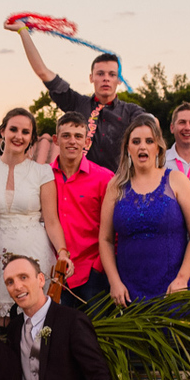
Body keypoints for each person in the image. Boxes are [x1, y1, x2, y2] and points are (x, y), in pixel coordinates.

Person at [4, 19, 143, 173]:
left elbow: (151, 127)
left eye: (112, 74)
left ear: (119, 80)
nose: (106, 78)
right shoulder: (77, 103)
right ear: (91, 77)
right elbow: (43, 72)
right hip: (81, 188)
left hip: (118, 188)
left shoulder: (131, 111)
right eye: (100, 73)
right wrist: (23, 32)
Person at [0, 107, 73, 309]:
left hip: (34, 252)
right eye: (13, 130)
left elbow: (51, 221)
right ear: (2, 132)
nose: (19, 136)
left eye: (25, 132)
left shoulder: (42, 173)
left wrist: (62, 253)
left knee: (33, 315)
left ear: (32, 139)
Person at [98, 115, 190, 305]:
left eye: (149, 141)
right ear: (127, 148)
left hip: (173, 290)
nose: (142, 147)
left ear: (158, 147)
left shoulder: (177, 181)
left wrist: (182, 278)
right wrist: (114, 282)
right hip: (128, 291)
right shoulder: (116, 186)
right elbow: (105, 239)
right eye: (136, 141)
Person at [50, 111, 114, 309]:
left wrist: (98, 267)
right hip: (55, 271)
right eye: (66, 135)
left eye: (78, 137)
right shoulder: (44, 178)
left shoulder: (104, 178)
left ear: (87, 142)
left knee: (96, 335)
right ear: (55, 140)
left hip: (92, 273)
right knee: (58, 335)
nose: (72, 141)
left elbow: (114, 229)